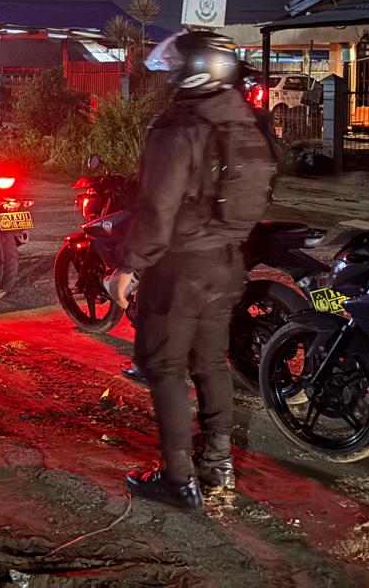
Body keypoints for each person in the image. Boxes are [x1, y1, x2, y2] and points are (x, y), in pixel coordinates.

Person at [112, 32, 280, 511]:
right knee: (209, 364)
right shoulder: (245, 121)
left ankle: (178, 479)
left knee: (162, 366)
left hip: (179, 265)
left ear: (196, 69)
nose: (171, 77)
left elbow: (157, 209)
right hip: (226, 263)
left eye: (177, 68)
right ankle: (218, 464)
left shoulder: (182, 125)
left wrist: (129, 265)